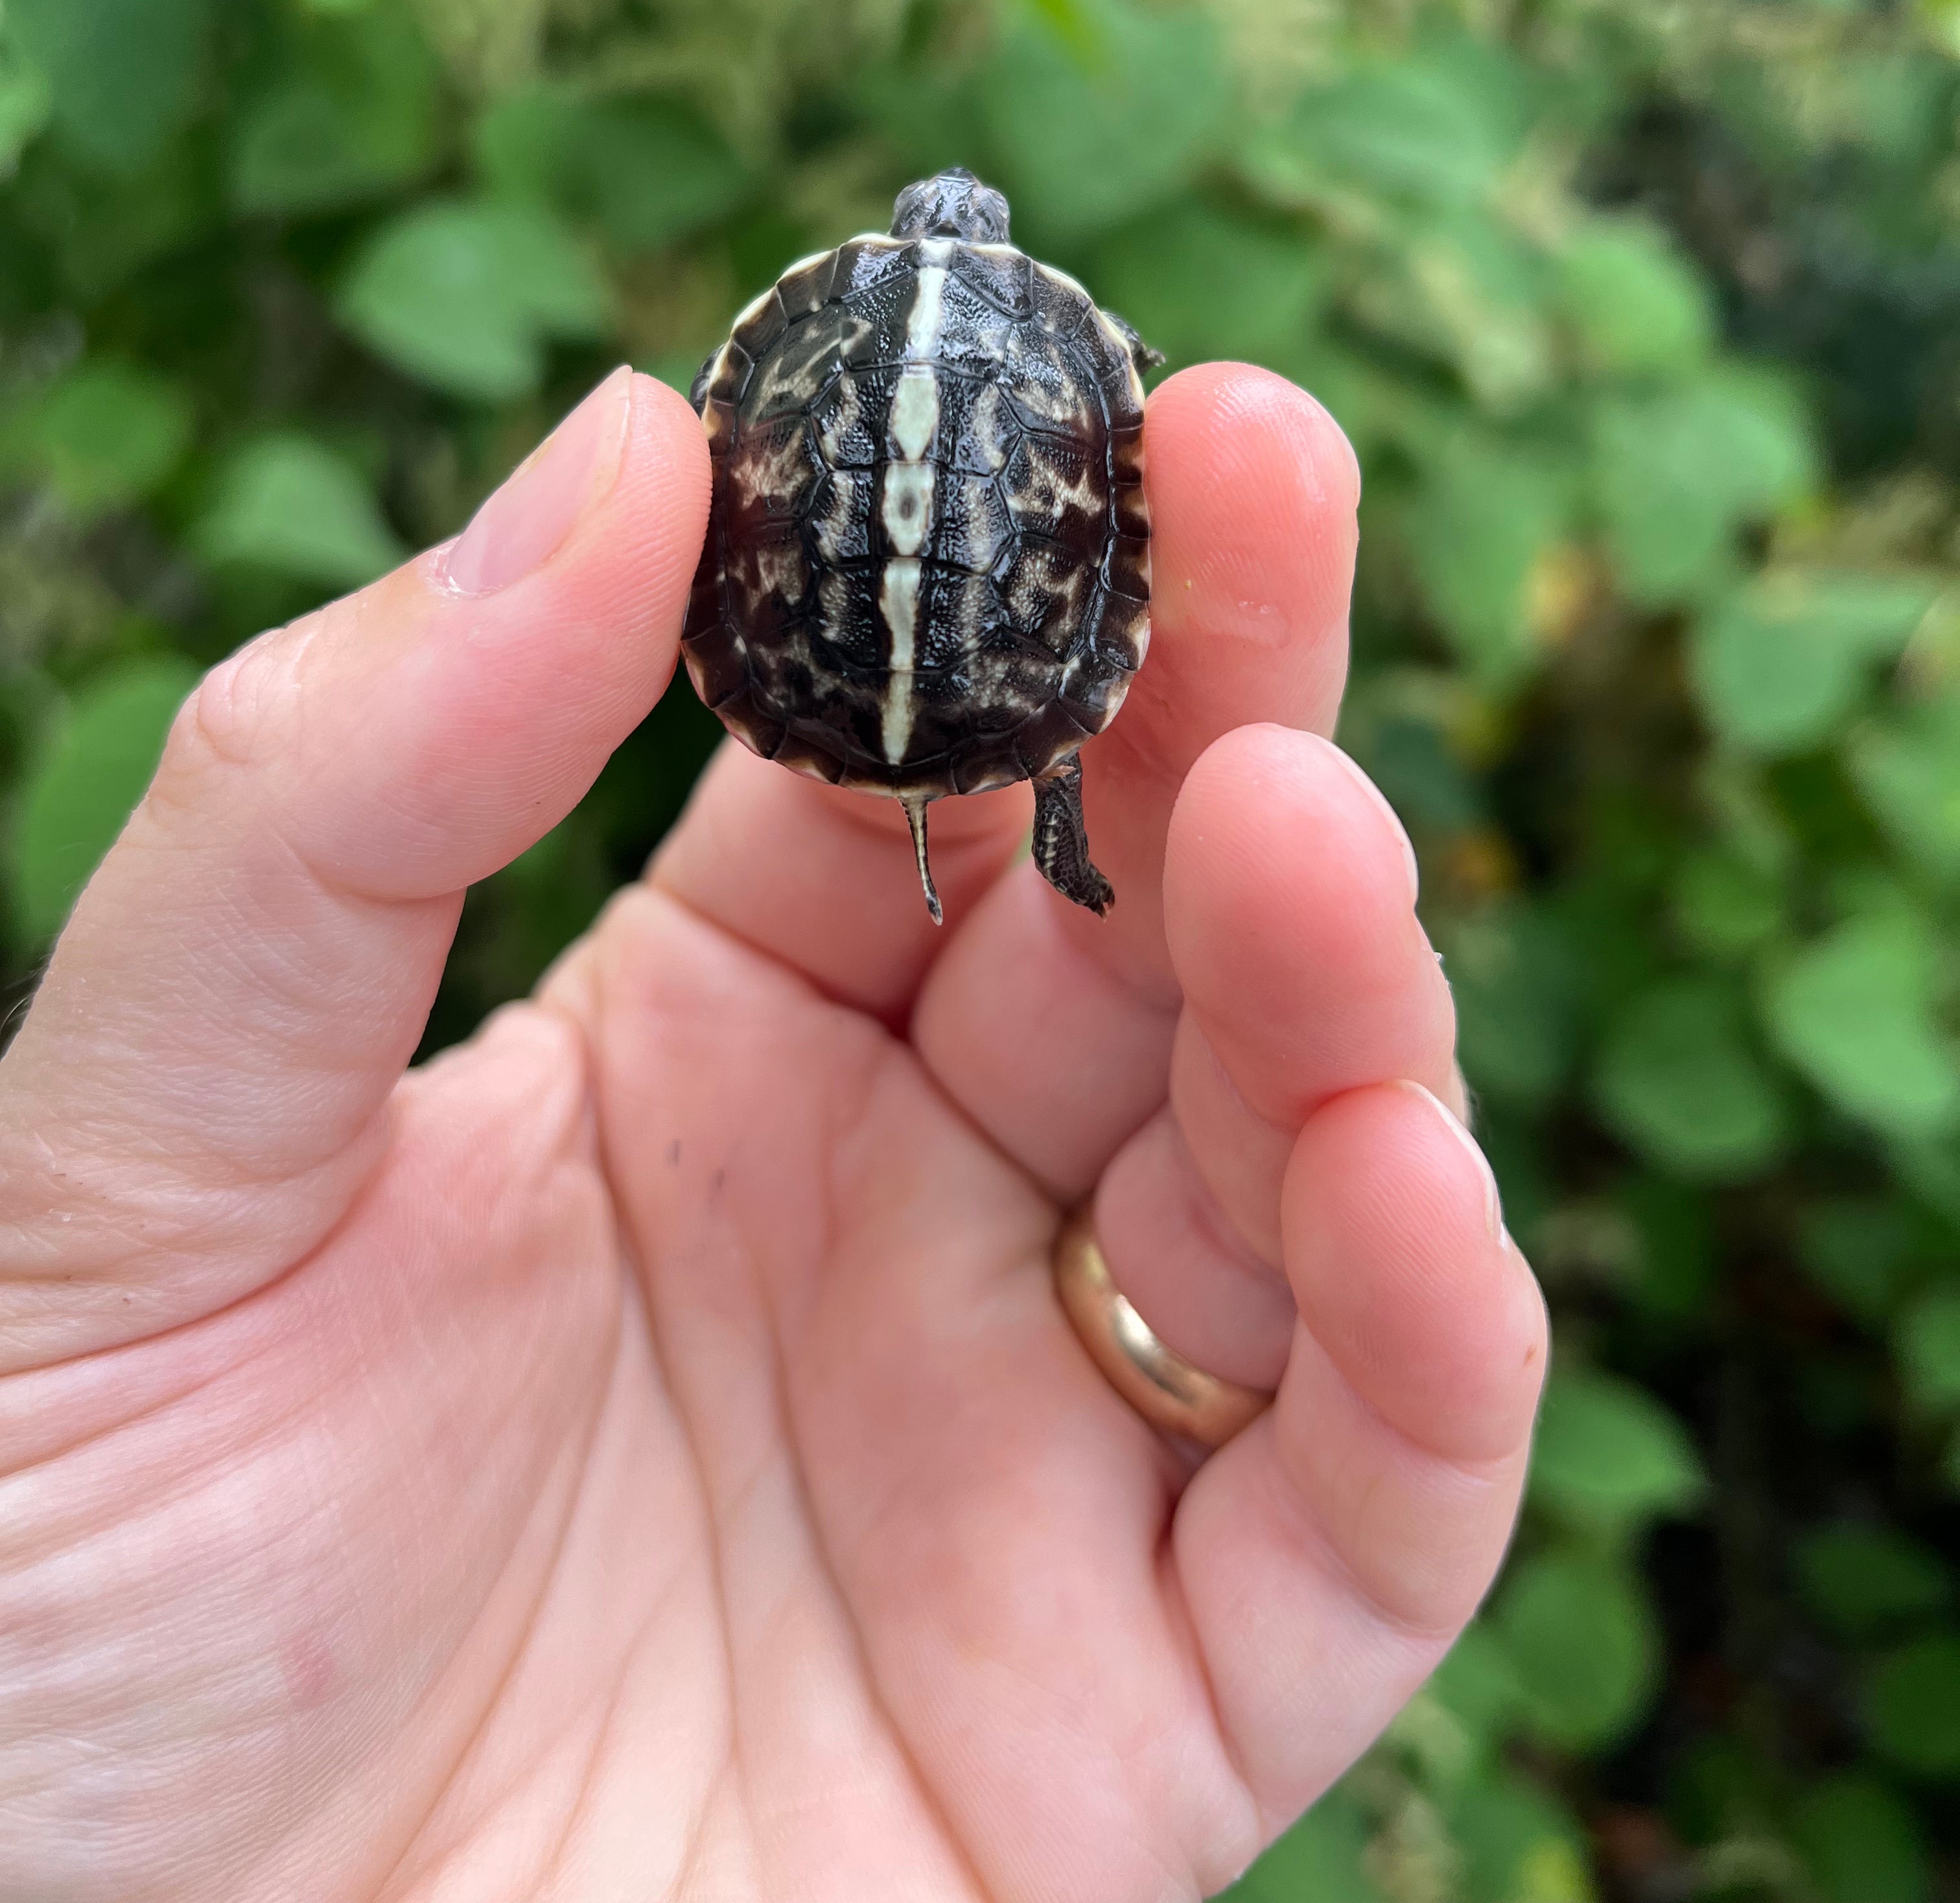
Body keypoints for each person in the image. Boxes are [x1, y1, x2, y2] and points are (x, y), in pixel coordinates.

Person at [0, 360, 1546, 1902]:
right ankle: (1054, 811)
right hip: (996, 709)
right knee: (1206, 819)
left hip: (822, 683)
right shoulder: (1069, 363)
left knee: (1259, 875)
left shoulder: (816, 349)